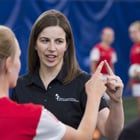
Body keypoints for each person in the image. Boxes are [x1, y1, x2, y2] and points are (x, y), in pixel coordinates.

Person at [11, 10, 124, 140]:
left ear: (67, 45)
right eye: (45, 40)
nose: (52, 48)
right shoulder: (20, 85)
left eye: (59, 41)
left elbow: (111, 133)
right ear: (35, 44)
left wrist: (116, 101)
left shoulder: (85, 83)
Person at [128, 21, 140, 117]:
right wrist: (132, 79)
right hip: (137, 81)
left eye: (134, 32)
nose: (131, 35)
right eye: (130, 32)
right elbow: (133, 65)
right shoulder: (133, 47)